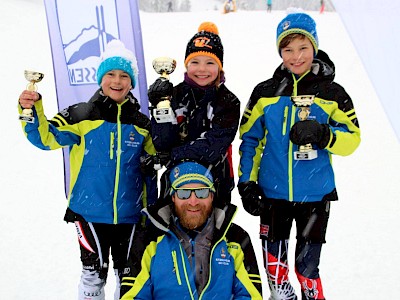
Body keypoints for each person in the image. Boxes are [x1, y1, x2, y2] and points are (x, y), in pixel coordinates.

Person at [18, 39, 157, 300]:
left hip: (130, 215)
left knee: (128, 280)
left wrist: (150, 209)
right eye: (110, 74)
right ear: (100, 79)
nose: (117, 81)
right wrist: (31, 109)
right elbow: (46, 138)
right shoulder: (81, 115)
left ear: (132, 83)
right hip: (89, 212)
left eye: (124, 76)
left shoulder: (141, 123)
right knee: (93, 278)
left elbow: (151, 169)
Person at [237, 12, 361, 300]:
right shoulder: (265, 93)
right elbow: (250, 140)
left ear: (314, 47)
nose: (296, 56)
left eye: (303, 48)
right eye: (288, 49)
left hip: (314, 196)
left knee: (307, 270)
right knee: (275, 271)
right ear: (280, 51)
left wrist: (324, 135)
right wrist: (247, 182)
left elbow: (352, 139)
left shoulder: (332, 93)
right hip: (273, 194)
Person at [120, 161, 263, 299]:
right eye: (183, 193)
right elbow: (132, 296)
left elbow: (251, 296)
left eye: (202, 192)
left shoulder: (236, 238)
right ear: (173, 197)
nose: (193, 201)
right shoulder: (148, 240)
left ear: (212, 196)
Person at [147, 21, 240, 209]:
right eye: (195, 62)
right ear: (186, 65)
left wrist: (174, 154)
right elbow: (161, 142)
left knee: (213, 235)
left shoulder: (228, 101)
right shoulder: (174, 95)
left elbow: (213, 146)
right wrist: (159, 105)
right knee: (169, 233)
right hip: (175, 182)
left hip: (216, 182)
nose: (202, 69)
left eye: (210, 63)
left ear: (220, 66)